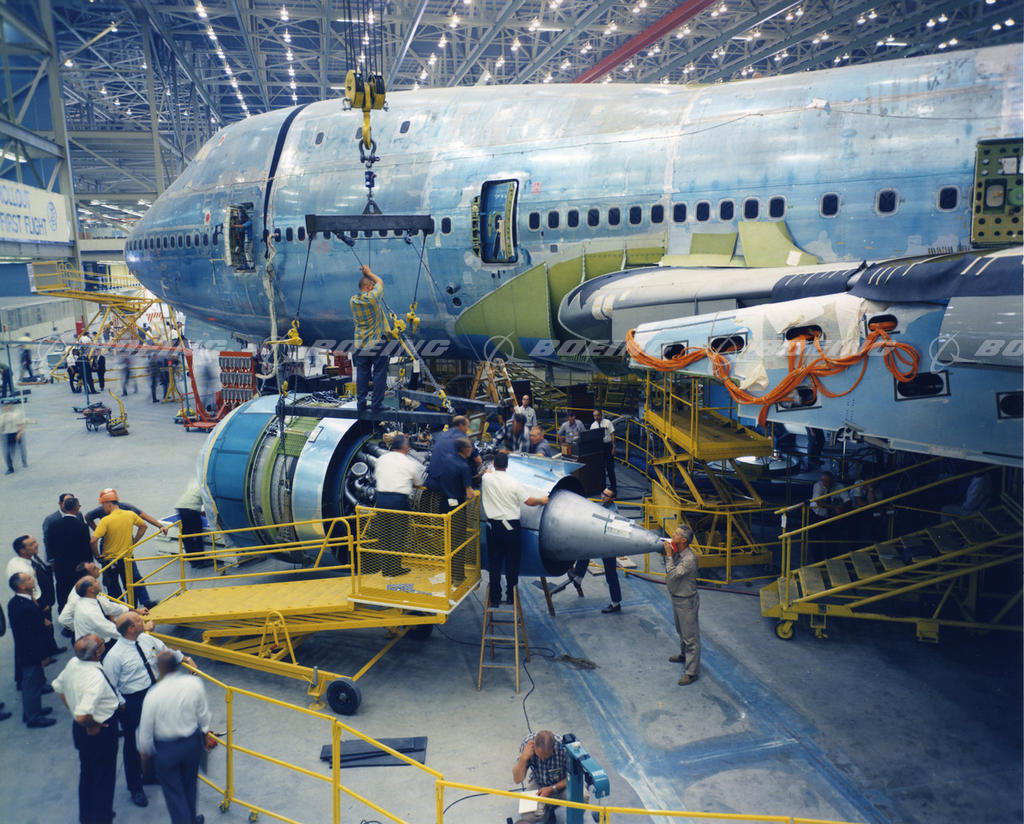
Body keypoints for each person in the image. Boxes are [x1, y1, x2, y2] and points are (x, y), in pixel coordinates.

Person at [105, 612, 191, 808]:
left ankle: (151, 774)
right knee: (133, 744)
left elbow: (164, 651)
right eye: (138, 620)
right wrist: (122, 704)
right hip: (134, 701)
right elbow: (110, 684)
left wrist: (184, 658)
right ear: (130, 629)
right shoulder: (115, 656)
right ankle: (135, 788)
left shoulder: (146, 639)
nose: (142, 621)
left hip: (155, 692)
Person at [52, 634, 124, 824]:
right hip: (100, 731)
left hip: (80, 730)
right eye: (101, 642)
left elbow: (58, 686)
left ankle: (88, 817)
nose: (103, 643)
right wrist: (92, 724)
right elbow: (84, 715)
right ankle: (102, 817)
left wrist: (73, 709)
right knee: (104, 779)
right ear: (97, 653)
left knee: (88, 776)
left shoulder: (73, 663)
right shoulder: (95, 677)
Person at [138, 650, 214, 824]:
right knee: (190, 786)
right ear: (177, 665)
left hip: (167, 750)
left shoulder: (153, 694)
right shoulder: (193, 684)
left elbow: (146, 730)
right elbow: (203, 714)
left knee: (174, 794)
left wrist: (145, 756)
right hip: (191, 744)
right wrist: (205, 734)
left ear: (160, 669)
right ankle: (191, 820)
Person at [480, 451, 548, 606]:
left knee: (494, 563)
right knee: (512, 563)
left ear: (494, 464)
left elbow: (484, 472)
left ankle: (495, 598)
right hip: (511, 528)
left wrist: (488, 470)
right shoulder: (514, 483)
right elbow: (529, 502)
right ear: (507, 466)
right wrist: (542, 500)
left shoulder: (486, 479)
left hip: (493, 527)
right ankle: (511, 595)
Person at [89, 488, 157, 606]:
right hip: (127, 556)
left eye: (102, 504)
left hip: (110, 560)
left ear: (108, 504)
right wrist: (133, 542)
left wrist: (98, 556)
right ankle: (136, 606)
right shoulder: (130, 514)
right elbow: (143, 526)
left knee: (113, 586)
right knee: (132, 583)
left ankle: (121, 609)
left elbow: (93, 541)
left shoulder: (106, 520)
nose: (102, 508)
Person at [371, 433, 425, 577]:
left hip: (381, 501)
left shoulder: (382, 459)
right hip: (398, 502)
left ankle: (385, 569)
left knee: (384, 536)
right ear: (405, 447)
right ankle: (394, 569)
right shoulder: (409, 463)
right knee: (397, 536)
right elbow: (419, 482)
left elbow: (377, 476)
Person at [8, 572, 57, 728]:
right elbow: (31, 635)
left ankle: (32, 711)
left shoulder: (17, 602)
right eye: (28, 579)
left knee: (33, 684)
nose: (32, 579)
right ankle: (33, 717)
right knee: (31, 684)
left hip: (26, 652)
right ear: (22, 586)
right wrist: (43, 655)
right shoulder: (24, 607)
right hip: (31, 653)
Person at [564, 488, 624, 613]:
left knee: (611, 574)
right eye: (603, 493)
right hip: (600, 541)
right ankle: (578, 577)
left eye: (606, 495)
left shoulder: (613, 512)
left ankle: (616, 603)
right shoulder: (603, 506)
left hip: (608, 547)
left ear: (612, 499)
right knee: (586, 551)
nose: (603, 496)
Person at [7, 534, 61, 655]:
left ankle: (51, 648)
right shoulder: (24, 569)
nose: (37, 544)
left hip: (40, 598)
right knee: (43, 627)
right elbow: (33, 592)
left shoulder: (26, 559)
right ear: (22, 551)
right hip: (37, 602)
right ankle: (46, 654)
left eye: (35, 541)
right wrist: (43, 607)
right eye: (32, 544)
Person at [663, 526, 700, 686]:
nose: (673, 535)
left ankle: (691, 673)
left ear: (684, 540)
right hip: (677, 598)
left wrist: (669, 556)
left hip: (686, 602)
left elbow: (672, 574)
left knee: (690, 637)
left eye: (677, 534)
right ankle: (684, 655)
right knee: (681, 631)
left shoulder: (689, 559)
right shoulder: (679, 553)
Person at [350, 263, 388, 413]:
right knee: (379, 373)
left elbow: (374, 286)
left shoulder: (353, 300)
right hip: (376, 342)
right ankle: (376, 404)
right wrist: (369, 273)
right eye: (371, 287)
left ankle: (361, 403)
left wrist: (366, 277)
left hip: (360, 345)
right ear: (368, 287)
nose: (373, 288)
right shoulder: (372, 299)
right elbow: (380, 282)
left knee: (362, 374)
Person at [512, 729, 569, 824]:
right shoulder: (527, 744)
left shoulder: (565, 747)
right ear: (533, 745)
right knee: (527, 816)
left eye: (546, 757)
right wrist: (523, 758)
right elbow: (517, 779)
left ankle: (574, 819)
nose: (543, 759)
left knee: (582, 796)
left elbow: (575, 778)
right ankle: (548, 813)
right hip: (539, 783)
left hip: (563, 784)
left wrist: (552, 788)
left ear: (554, 746)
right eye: (539, 756)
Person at [48, 496, 95, 612]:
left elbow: (50, 546)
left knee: (62, 594)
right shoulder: (82, 526)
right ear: (77, 508)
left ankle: (63, 616)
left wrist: (53, 562)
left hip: (61, 568)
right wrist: (90, 564)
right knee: (80, 594)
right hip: (78, 568)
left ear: (64, 507)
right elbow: (86, 549)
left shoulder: (53, 525)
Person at [59, 564, 133, 635]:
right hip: (91, 636)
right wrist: (83, 628)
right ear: (87, 576)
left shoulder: (89, 587)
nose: (98, 568)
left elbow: (106, 606)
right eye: (94, 568)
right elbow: (63, 619)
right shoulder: (76, 597)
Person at [809, 470, 849, 561]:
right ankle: (818, 561)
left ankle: (831, 559)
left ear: (833, 480)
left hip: (831, 517)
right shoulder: (818, 486)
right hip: (817, 515)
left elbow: (847, 500)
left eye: (830, 481)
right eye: (825, 482)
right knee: (815, 539)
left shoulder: (839, 486)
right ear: (822, 481)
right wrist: (834, 507)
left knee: (832, 539)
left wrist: (842, 507)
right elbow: (818, 502)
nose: (828, 484)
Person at [70, 576, 122, 645]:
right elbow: (109, 629)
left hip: (95, 640)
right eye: (95, 581)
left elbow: (108, 607)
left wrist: (129, 610)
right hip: (96, 647)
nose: (99, 582)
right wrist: (132, 635)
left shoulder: (86, 599)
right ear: (91, 589)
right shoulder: (89, 611)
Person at [175, 480, 209, 568]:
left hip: (181, 508)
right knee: (198, 535)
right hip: (192, 510)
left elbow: (193, 500)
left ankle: (192, 561)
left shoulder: (195, 485)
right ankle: (201, 561)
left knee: (187, 536)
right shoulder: (207, 487)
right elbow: (210, 505)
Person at [590, 409, 617, 491]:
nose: (596, 417)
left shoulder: (607, 422)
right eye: (594, 416)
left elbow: (612, 434)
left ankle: (613, 486)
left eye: (597, 415)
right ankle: (603, 486)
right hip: (599, 447)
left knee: (610, 467)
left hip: (608, 446)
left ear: (601, 415)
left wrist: (614, 446)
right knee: (601, 468)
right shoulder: (593, 426)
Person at [1, 398, 27, 474]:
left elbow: (21, 424)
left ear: (11, 406)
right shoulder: (2, 416)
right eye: (5, 406)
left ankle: (24, 461)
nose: (6, 407)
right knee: (6, 452)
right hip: (6, 434)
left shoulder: (15, 414)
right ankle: (10, 468)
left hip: (16, 433)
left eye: (8, 405)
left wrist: (19, 433)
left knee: (22, 448)